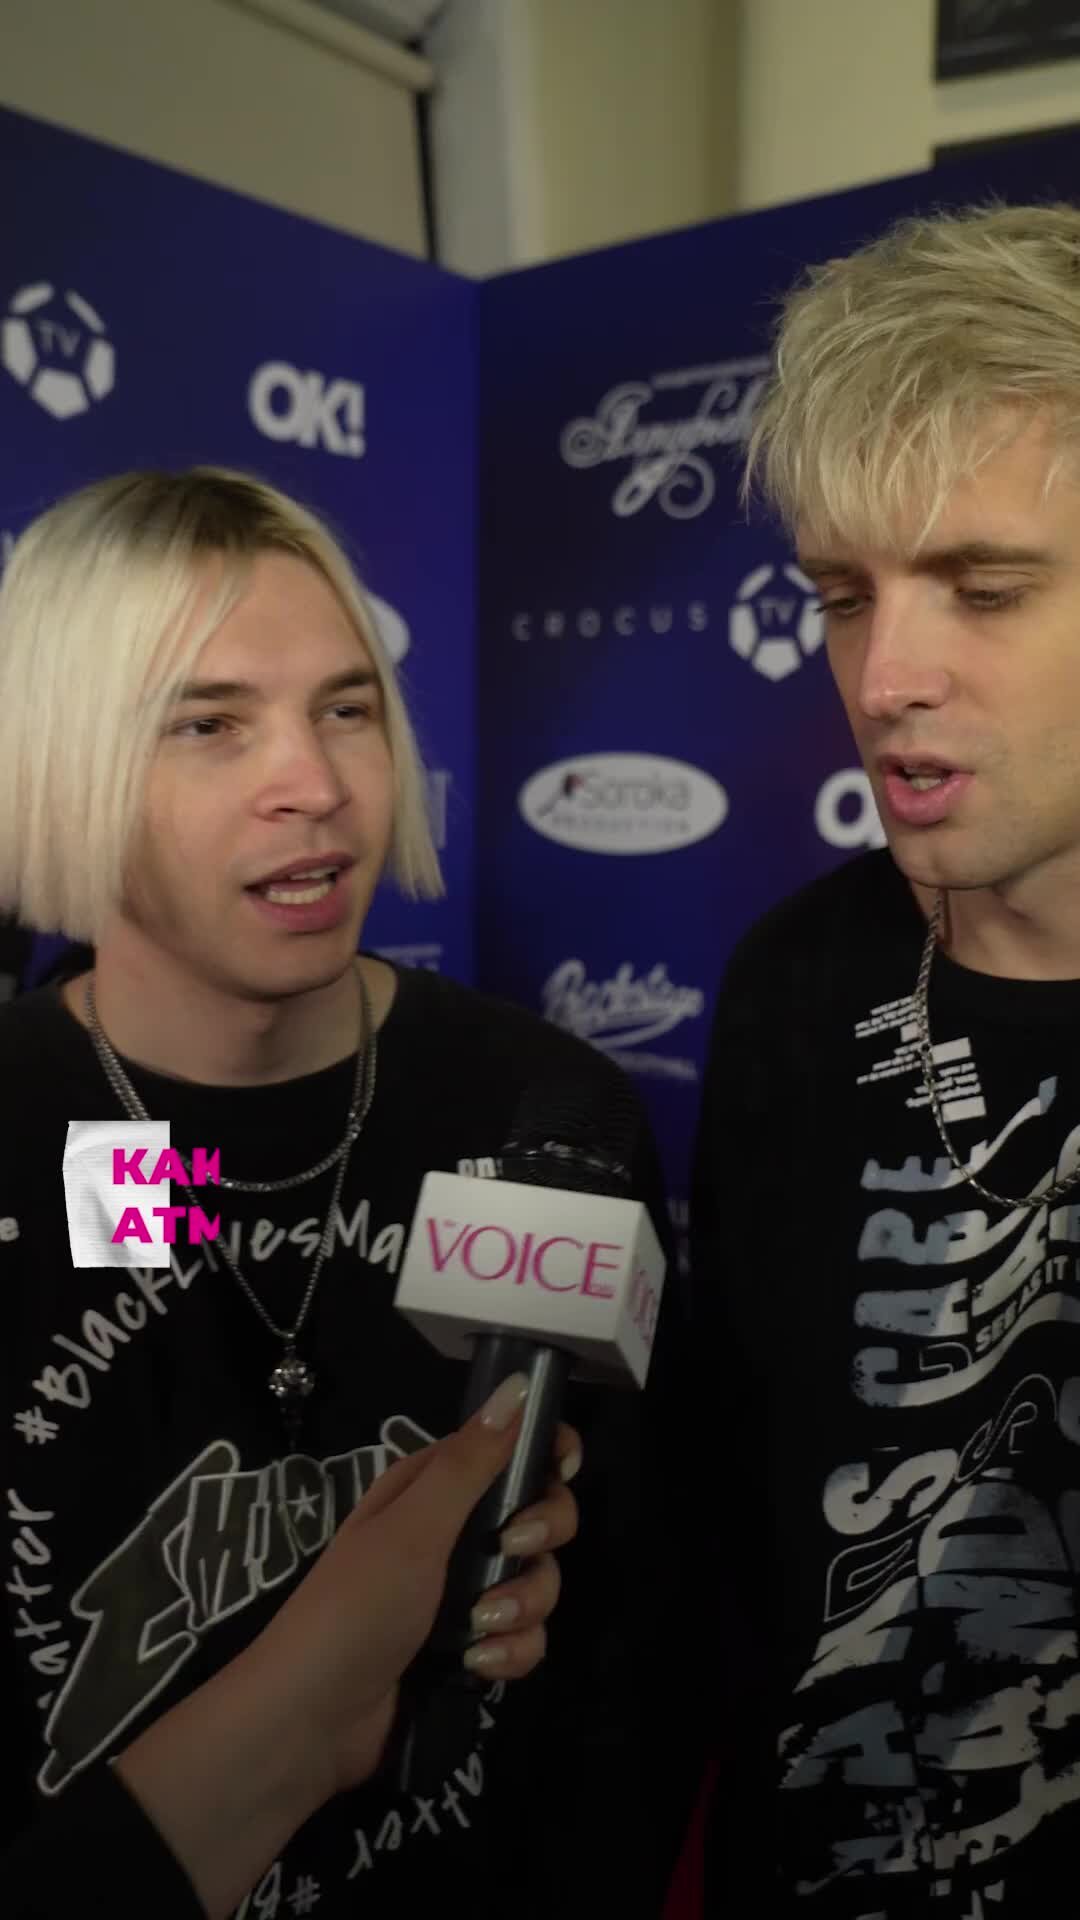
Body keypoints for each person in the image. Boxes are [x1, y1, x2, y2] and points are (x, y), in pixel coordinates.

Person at [0, 468, 692, 1918]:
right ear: (62, 761)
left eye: (347, 708)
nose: (315, 785)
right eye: (208, 723)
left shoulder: (546, 1113)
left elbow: (631, 1664)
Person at [693, 200, 1080, 1917]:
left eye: (984, 589)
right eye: (843, 598)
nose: (884, 677)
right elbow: (730, 1512)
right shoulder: (793, 981)